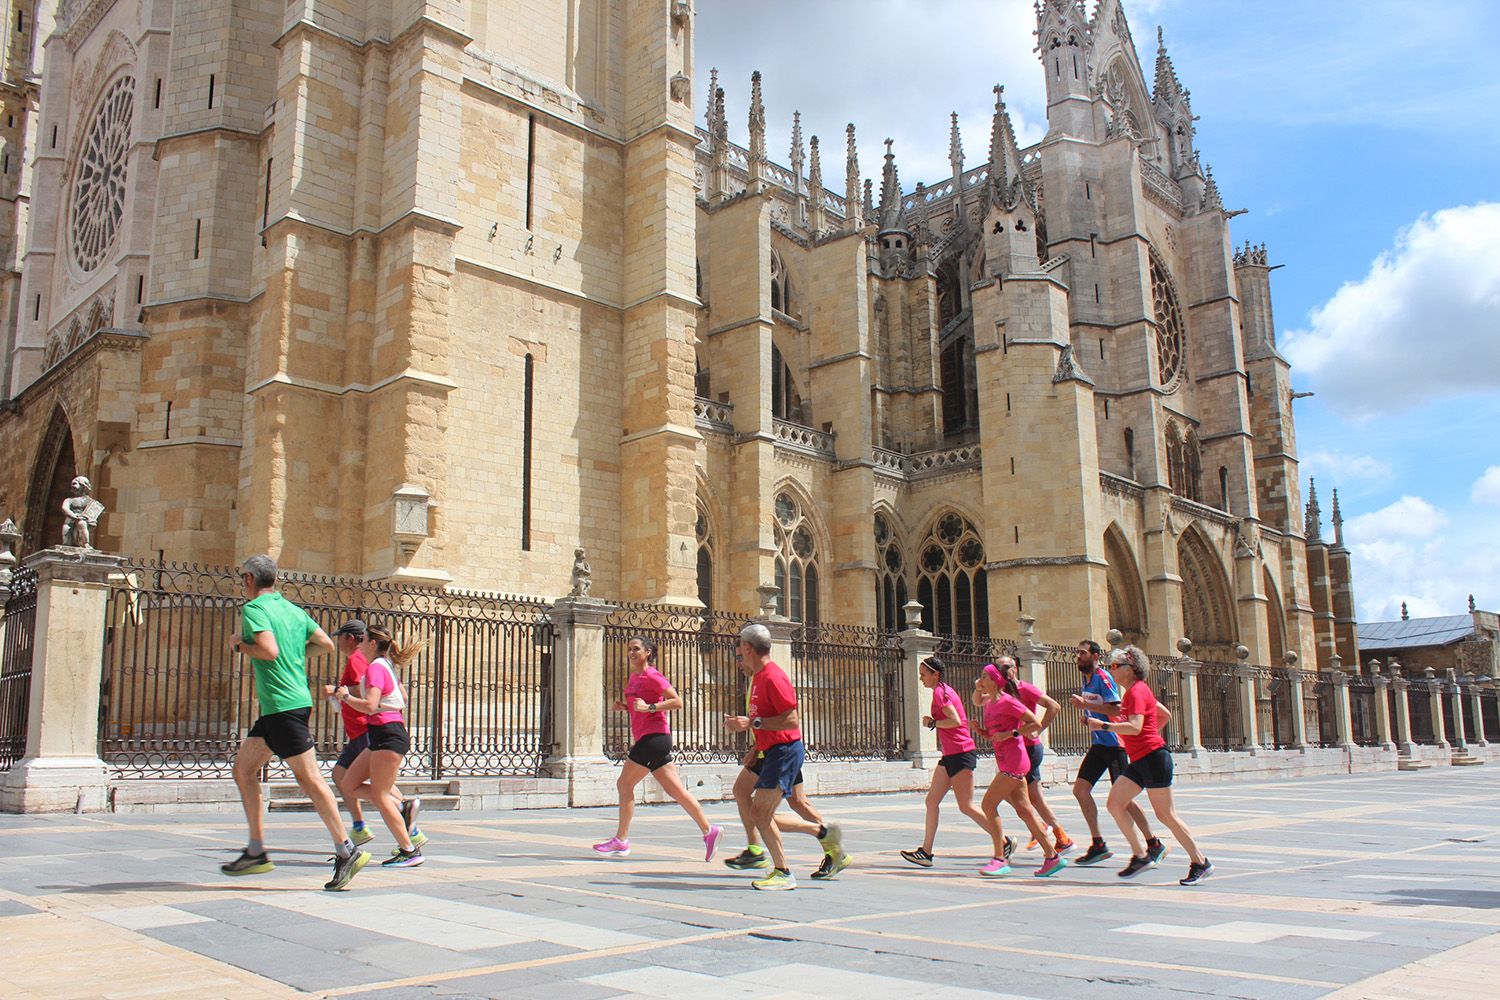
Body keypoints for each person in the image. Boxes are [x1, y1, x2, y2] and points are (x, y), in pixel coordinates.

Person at [221, 555, 371, 891]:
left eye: (242, 578)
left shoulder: (255, 610)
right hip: (282, 708)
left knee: (311, 779)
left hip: (283, 707)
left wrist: (239, 645)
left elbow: (268, 650)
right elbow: (326, 644)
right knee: (244, 769)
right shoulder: (293, 610)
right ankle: (257, 850)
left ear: (248, 579)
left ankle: (346, 849)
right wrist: (295, 653)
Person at [723, 623, 850, 890]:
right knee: (747, 792)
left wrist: (751, 724)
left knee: (761, 812)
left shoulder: (773, 677)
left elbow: (791, 719)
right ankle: (825, 846)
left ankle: (785, 869)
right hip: (769, 749)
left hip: (783, 751)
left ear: (748, 648)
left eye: (740, 651)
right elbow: (766, 719)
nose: (739, 658)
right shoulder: (757, 676)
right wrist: (754, 745)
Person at [1087, 645, 1214, 885]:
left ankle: (1200, 862)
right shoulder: (1136, 692)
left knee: (1166, 815)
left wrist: (1103, 726)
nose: (1111, 671)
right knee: (1115, 803)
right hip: (1140, 759)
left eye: (1115, 666)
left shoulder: (1136, 692)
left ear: (1130, 669)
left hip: (1154, 758)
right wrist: (1146, 734)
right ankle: (1141, 855)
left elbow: (1135, 726)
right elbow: (1164, 714)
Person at [591, 636, 723, 861]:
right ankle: (709, 831)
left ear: (648, 652)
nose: (631, 653)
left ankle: (621, 840)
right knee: (676, 791)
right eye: (629, 649)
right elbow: (639, 707)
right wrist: (626, 708)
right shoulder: (634, 677)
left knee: (624, 784)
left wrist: (649, 707)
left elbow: (677, 701)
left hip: (654, 738)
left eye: (636, 649)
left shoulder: (653, 675)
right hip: (650, 737)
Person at [334, 622, 426, 867]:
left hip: (388, 734)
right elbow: (402, 697)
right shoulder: (386, 666)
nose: (359, 644)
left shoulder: (376, 667)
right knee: (349, 784)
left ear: (373, 644)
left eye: (363, 640)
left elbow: (371, 705)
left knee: (379, 793)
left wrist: (346, 697)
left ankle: (409, 850)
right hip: (381, 734)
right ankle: (402, 808)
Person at [900, 656, 1005, 868]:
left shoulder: (941, 693)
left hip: (961, 752)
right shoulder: (943, 690)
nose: (921, 679)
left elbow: (956, 720)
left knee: (966, 806)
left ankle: (1003, 842)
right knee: (931, 801)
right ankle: (926, 852)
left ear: (935, 674)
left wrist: (933, 722)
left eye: (923, 675)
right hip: (950, 755)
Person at [1068, 639, 1164, 867]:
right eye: (1077, 653)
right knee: (1080, 790)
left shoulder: (1103, 678)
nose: (1078, 657)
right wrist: (1089, 717)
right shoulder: (1087, 679)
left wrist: (1087, 707)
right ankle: (1098, 844)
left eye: (1082, 653)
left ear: (1095, 656)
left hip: (1114, 744)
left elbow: (1117, 708)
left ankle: (1153, 843)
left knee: (1124, 800)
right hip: (1099, 744)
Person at [974, 664, 1067, 878]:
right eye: (980, 676)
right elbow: (994, 734)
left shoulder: (1009, 701)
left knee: (988, 805)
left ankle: (999, 858)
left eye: (985, 676)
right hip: (1004, 760)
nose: (980, 680)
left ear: (996, 680)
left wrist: (1012, 734)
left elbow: (1033, 723)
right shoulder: (989, 704)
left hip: (1015, 761)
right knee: (1024, 810)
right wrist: (980, 731)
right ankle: (1052, 857)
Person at [998, 658, 1074, 855]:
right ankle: (1048, 830)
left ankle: (1058, 836)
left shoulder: (1027, 689)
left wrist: (1038, 729)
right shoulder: (1001, 693)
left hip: (1029, 749)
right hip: (1015, 751)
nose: (1002, 671)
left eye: (1006, 667)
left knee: (1027, 797)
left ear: (1015, 669)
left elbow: (1054, 706)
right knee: (1018, 795)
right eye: (998, 668)